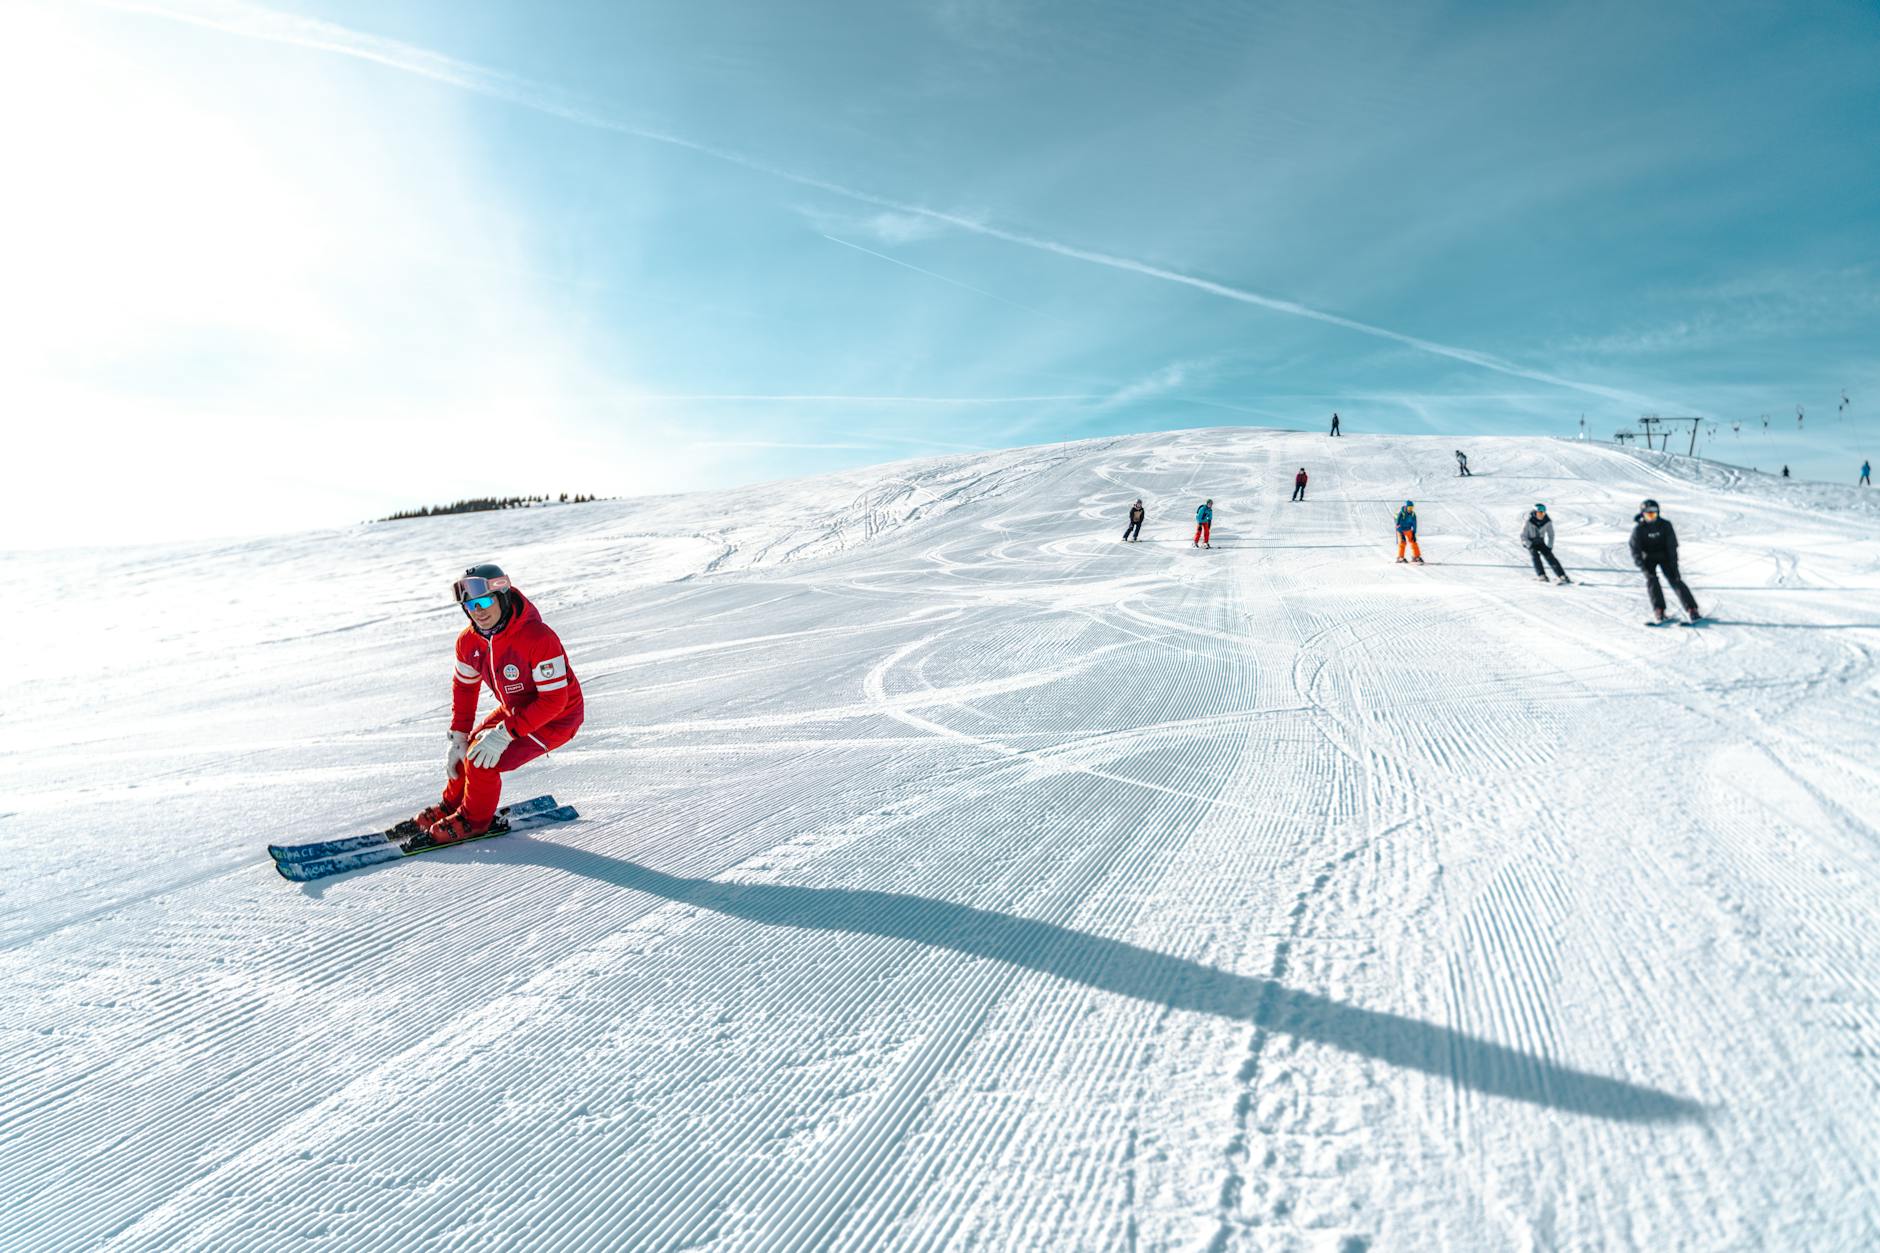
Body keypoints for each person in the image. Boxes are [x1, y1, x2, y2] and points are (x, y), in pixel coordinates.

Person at [412, 563, 585, 844]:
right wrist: (458, 736)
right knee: (469, 748)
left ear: (501, 596)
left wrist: (504, 735)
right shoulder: (469, 642)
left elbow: (554, 700)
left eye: (483, 601)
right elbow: (465, 689)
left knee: (482, 760)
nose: (477, 611)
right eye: (470, 605)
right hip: (516, 709)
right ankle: (452, 805)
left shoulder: (538, 637)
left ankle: (474, 820)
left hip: (557, 718)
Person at [1628, 501, 1701, 624]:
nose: (1651, 518)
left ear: (1658, 514)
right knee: (1652, 580)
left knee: (1675, 579)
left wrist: (1674, 566)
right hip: (1648, 559)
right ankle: (1659, 610)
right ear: (1643, 515)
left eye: (1654, 515)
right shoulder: (1639, 530)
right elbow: (1635, 549)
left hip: (1665, 557)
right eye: (1648, 515)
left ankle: (1692, 609)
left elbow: (1672, 546)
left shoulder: (1665, 525)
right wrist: (1642, 566)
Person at [1521, 503, 1569, 584]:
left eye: (1543, 513)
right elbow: (1523, 535)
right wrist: (1528, 544)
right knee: (1535, 556)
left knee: (1550, 557)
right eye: (1539, 513)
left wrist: (1549, 546)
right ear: (1534, 513)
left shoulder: (1547, 521)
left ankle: (1562, 575)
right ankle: (1541, 575)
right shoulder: (1528, 522)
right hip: (1531, 542)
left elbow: (1551, 535)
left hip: (1540, 541)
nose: (1541, 515)